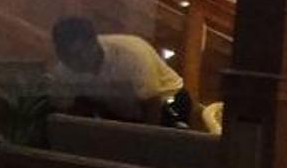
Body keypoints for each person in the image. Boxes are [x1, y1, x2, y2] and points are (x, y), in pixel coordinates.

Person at [48, 17, 185, 125]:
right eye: (65, 56)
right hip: (120, 111)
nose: (72, 62)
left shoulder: (131, 54)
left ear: (93, 44)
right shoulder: (63, 71)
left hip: (166, 101)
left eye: (77, 55)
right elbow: (67, 111)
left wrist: (147, 142)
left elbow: (152, 102)